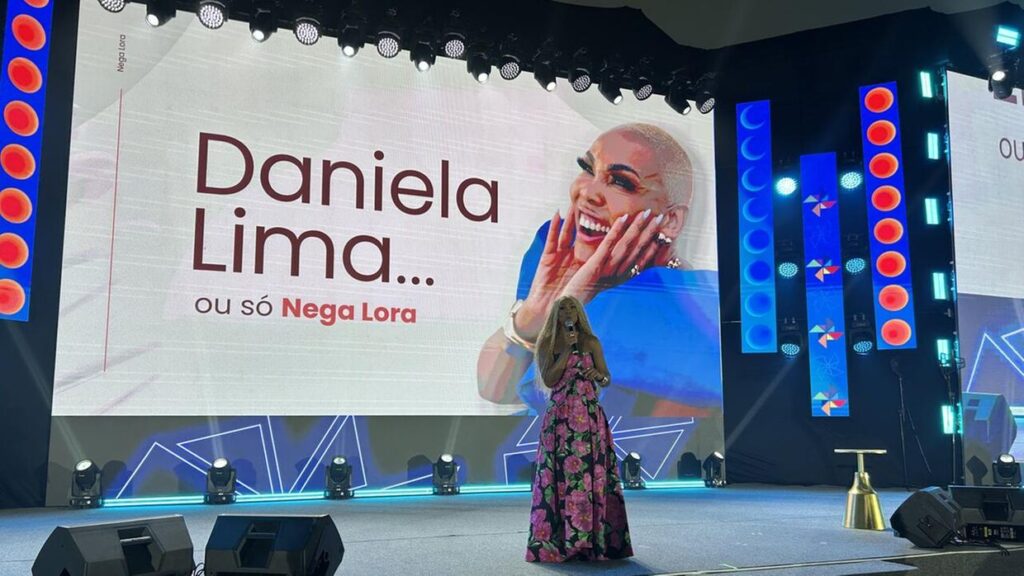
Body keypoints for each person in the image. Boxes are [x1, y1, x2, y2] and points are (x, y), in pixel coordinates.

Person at [477, 123, 721, 416]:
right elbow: (494, 388)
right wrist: (534, 313)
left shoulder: (694, 306)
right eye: (587, 168)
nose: (588, 193)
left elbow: (553, 401)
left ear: (670, 221)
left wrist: (574, 306)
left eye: (620, 182)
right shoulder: (561, 245)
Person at [526, 296, 633, 562]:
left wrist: (599, 376)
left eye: (571, 307)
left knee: (590, 476)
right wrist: (565, 351)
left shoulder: (591, 342)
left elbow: (606, 378)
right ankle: (562, 542)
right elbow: (549, 379)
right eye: (562, 308)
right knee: (560, 476)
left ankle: (593, 542)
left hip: (589, 417)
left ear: (579, 313)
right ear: (556, 314)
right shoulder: (548, 343)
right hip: (560, 419)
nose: (567, 311)